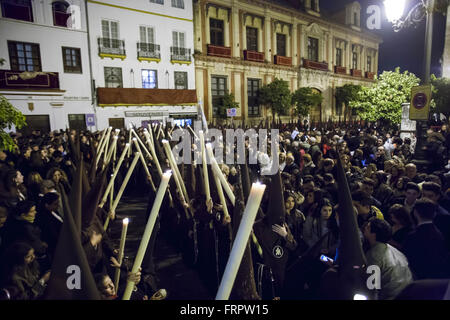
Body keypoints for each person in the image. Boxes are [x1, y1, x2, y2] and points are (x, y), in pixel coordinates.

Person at [362, 218, 413, 300]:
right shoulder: (395, 251)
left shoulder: (374, 255)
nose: (364, 228)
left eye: (368, 227)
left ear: (373, 234)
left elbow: (372, 286)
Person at [402, 199, 450, 280]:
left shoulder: (412, 237)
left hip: (419, 280)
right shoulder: (440, 234)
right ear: (434, 214)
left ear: (415, 213)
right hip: (438, 279)